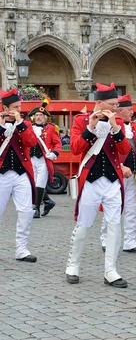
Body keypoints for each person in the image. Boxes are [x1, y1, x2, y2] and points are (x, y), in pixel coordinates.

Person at [65, 82, 131, 287]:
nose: (115, 108)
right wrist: (91, 127)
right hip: (91, 181)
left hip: (112, 181)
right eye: (112, 104)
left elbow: (125, 150)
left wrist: (115, 127)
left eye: (117, 104)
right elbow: (75, 148)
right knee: (83, 224)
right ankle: (73, 265)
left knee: (114, 225)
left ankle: (110, 270)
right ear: (99, 102)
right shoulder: (81, 120)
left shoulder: (117, 121)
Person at [99, 94, 136, 254]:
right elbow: (106, 150)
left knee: (132, 207)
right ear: (119, 110)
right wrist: (119, 166)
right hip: (116, 173)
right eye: (129, 109)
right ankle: (106, 239)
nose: (132, 112)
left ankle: (130, 241)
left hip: (133, 173)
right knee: (113, 207)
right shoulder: (111, 124)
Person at [0, 89, 38, 263]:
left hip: (21, 172)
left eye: (20, 106)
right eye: (15, 107)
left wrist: (20, 123)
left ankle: (22, 249)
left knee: (26, 211)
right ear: (5, 107)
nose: (19, 110)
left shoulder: (25, 123)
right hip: (2, 173)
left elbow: (31, 142)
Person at [28, 98, 61, 218]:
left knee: (40, 183)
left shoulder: (51, 128)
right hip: (31, 159)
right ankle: (48, 201)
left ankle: (36, 208)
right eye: (36, 115)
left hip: (44, 160)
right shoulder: (30, 128)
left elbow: (58, 144)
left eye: (41, 115)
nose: (38, 117)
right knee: (34, 183)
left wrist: (55, 153)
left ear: (45, 117)